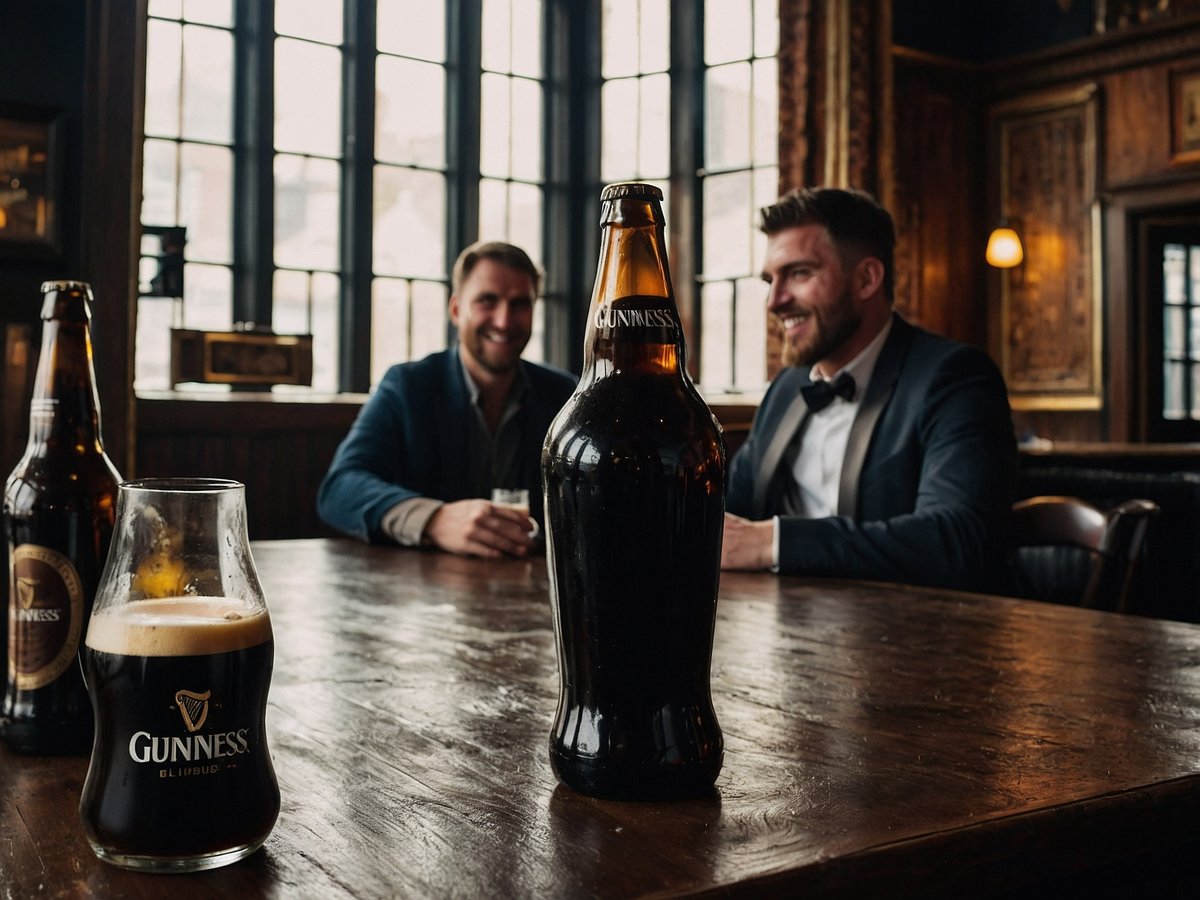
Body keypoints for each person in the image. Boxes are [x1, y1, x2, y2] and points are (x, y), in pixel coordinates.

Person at [722, 187, 1017, 591]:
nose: (775, 301)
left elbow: (957, 539)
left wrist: (772, 543)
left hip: (914, 638)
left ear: (866, 279)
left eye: (799, 273)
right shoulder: (787, 389)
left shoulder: (955, 378)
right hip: (779, 632)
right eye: (770, 280)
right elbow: (729, 516)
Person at [318, 241, 577, 558]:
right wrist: (434, 520)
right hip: (422, 596)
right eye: (487, 300)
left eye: (520, 304)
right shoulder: (408, 385)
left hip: (536, 590)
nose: (504, 320)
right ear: (455, 309)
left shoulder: (565, 394)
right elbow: (340, 488)